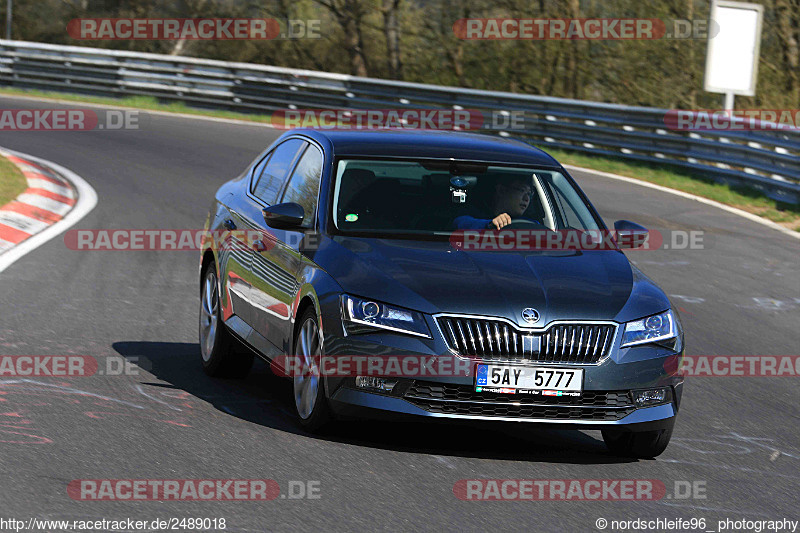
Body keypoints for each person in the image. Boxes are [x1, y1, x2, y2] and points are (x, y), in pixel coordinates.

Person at [453, 175, 542, 230]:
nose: (526, 199)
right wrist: (490, 225)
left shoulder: (530, 224)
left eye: (529, 194)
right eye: (522, 190)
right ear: (501, 190)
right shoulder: (472, 213)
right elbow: (460, 224)